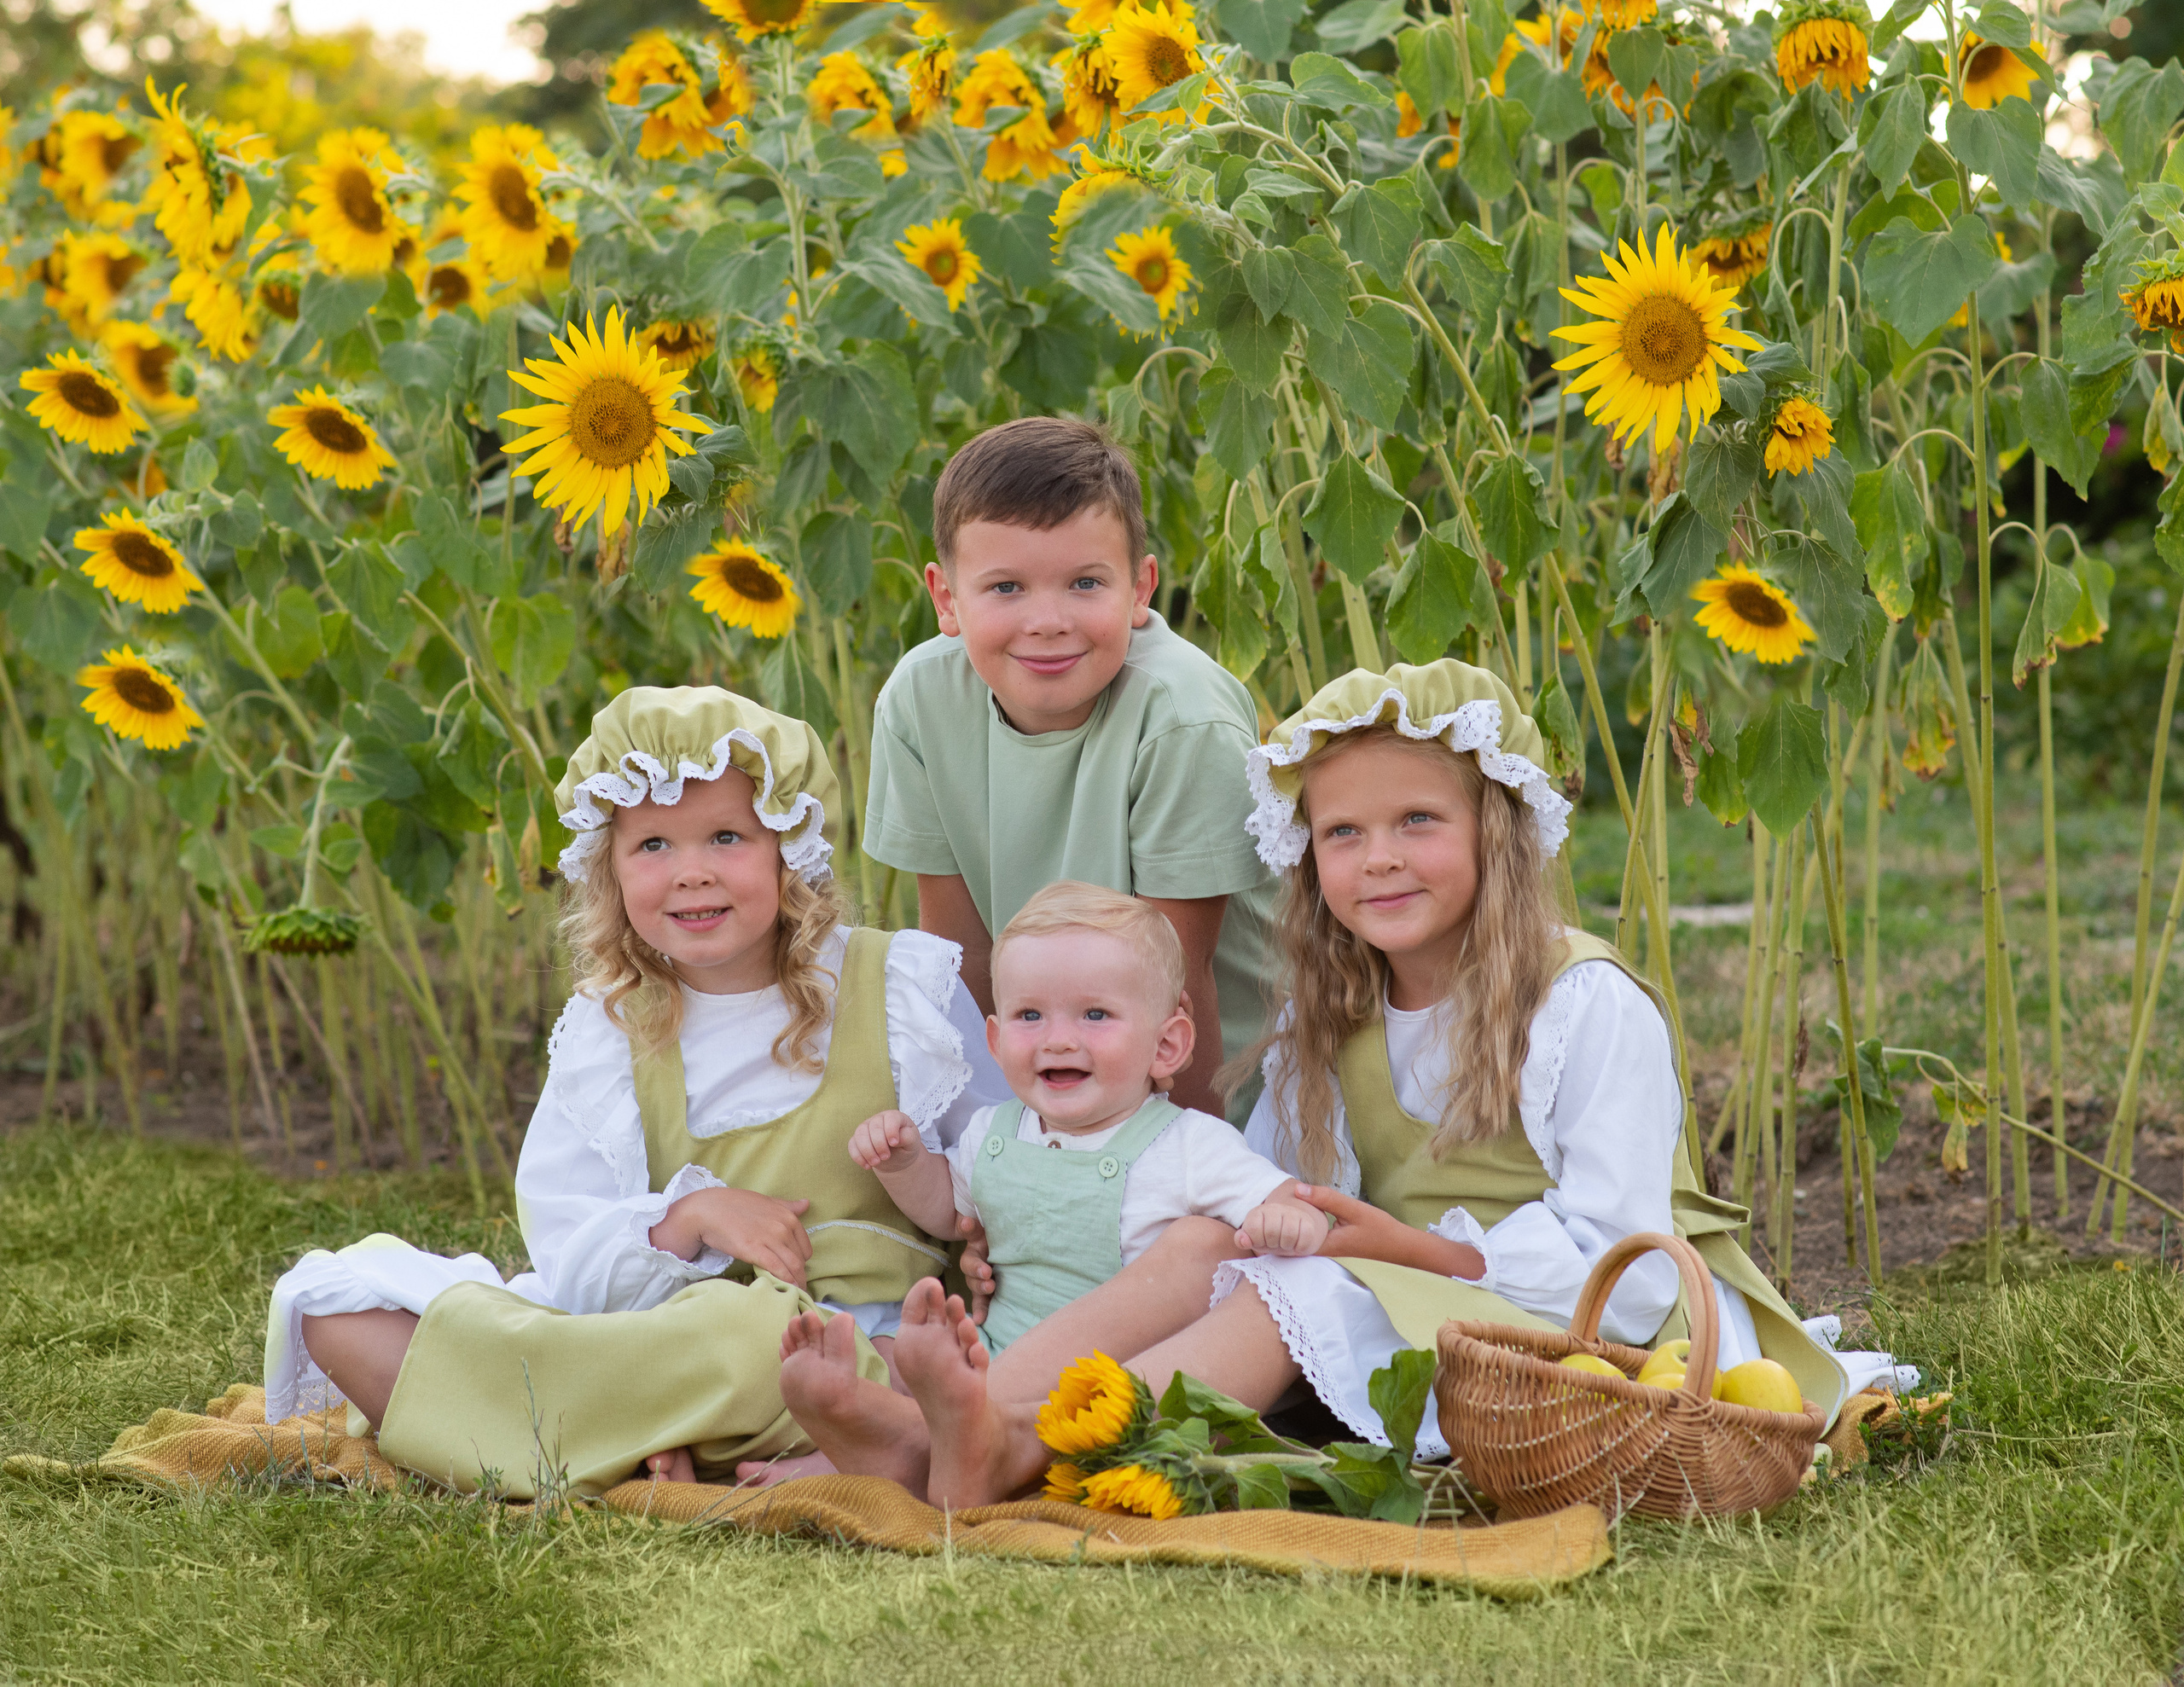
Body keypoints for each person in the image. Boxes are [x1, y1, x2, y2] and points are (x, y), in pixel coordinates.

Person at [781, 660, 1893, 1509]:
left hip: (1578, 1335)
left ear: (1496, 833)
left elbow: (1634, 1271)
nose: (1381, 858)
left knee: (1306, 1290)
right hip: (1405, 1314)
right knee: (1207, 1243)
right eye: (1344, 833)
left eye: (1419, 820)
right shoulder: (1333, 1020)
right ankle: (970, 1426)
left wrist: (1395, 1251)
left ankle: (1014, 1445)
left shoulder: (1584, 1001)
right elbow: (1266, 1194)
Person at [262, 686, 1007, 1498]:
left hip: (858, 1357)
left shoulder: (897, 988)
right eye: (652, 844)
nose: (691, 873)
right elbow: (571, 1254)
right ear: (609, 870)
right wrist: (687, 1217)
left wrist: (960, 1225)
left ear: (789, 851)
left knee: (753, 1331)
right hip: (662, 1341)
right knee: (340, 1303)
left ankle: (637, 1443)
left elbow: (1005, 1165)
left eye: (727, 836)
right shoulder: (611, 1029)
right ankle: (661, 1442)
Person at [861, 416, 1277, 1119]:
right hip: (1054, 1064)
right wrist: (978, 1143)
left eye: (1086, 583)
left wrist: (1188, 1182)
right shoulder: (920, 700)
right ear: (945, 598)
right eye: (1006, 588)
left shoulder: (1181, 719)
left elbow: (1181, 987)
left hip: (1225, 1086)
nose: (1048, 620)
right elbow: (959, 954)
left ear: (1141, 587)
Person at [811, 882, 1324, 1374]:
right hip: (998, 1353)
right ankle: (879, 1424)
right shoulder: (994, 1133)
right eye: (1029, 1015)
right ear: (995, 1040)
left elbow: (1283, 1198)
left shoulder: (1188, 1144)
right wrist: (905, 1163)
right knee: (898, 1350)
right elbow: (950, 1214)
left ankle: (916, 1435)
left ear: (1166, 1046)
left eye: (1095, 1015)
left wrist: (1286, 1219)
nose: (1057, 1040)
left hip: (1126, 1376)